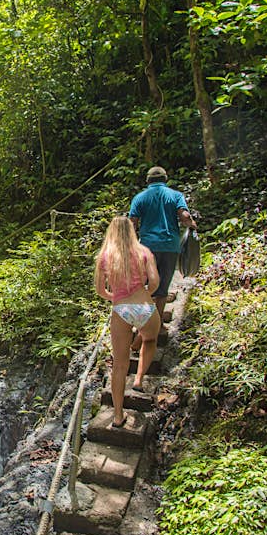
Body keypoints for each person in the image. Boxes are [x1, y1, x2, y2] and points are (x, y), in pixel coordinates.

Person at [94, 216, 161, 428]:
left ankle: (117, 416)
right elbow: (155, 282)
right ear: (132, 230)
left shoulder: (105, 257)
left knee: (119, 365)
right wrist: (144, 294)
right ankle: (139, 379)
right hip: (143, 305)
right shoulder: (144, 252)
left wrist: (115, 297)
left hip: (120, 309)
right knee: (150, 340)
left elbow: (100, 290)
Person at [128, 166, 197, 351]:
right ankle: (156, 327)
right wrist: (192, 224)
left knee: (147, 287)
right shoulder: (175, 196)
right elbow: (184, 216)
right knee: (162, 289)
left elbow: (132, 224)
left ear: (148, 181)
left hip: (147, 247)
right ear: (165, 179)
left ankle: (143, 325)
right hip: (170, 246)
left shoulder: (140, 198)